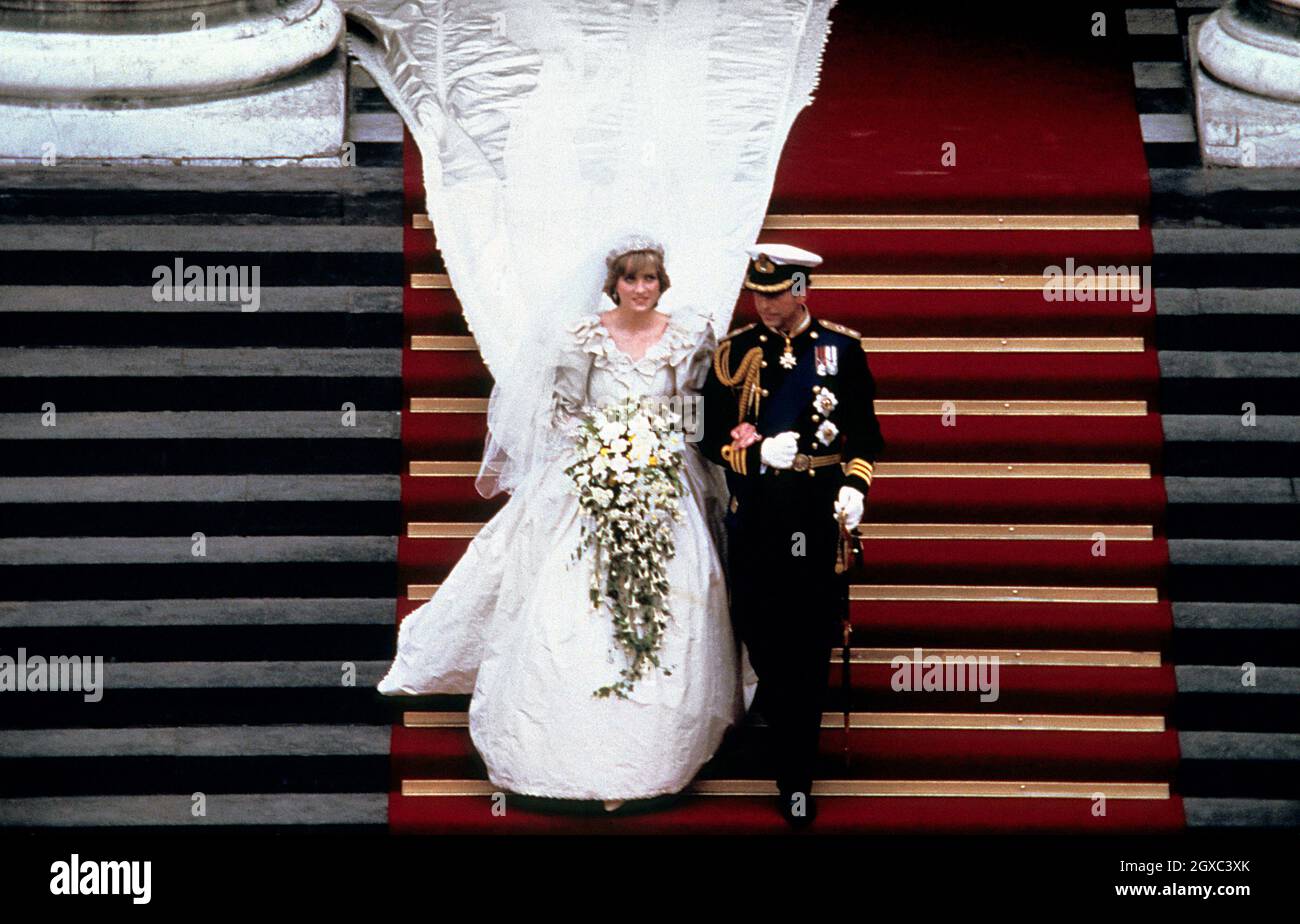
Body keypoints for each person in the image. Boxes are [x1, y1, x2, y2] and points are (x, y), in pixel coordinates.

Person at [378, 236, 745, 811]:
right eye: (630, 279)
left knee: (671, 605)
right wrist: (603, 454)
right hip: (591, 477)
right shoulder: (583, 337)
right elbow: (564, 413)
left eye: (650, 279)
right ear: (613, 283)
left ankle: (650, 755)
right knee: (572, 608)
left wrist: (657, 450)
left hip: (664, 480)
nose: (641, 289)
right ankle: (565, 751)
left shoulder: (688, 334)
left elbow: (692, 409)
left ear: (662, 282)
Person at [699, 243, 885, 827]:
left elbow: (866, 437)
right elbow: (706, 436)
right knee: (760, 632)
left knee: (808, 646)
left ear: (801, 289)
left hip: (816, 513)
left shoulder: (841, 349)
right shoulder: (735, 354)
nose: (765, 304)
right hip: (757, 516)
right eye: (758, 293)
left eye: (776, 294)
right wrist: (755, 460)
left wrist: (856, 489)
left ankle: (795, 777)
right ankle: (781, 719)